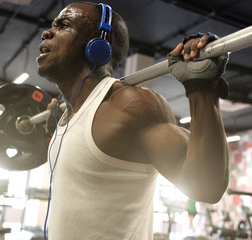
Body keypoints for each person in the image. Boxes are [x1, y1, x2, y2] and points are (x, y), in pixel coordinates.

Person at [38, 2, 229, 239]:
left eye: (63, 25)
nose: (47, 32)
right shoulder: (67, 115)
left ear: (96, 46)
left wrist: (202, 87)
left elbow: (206, 186)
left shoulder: (131, 106)